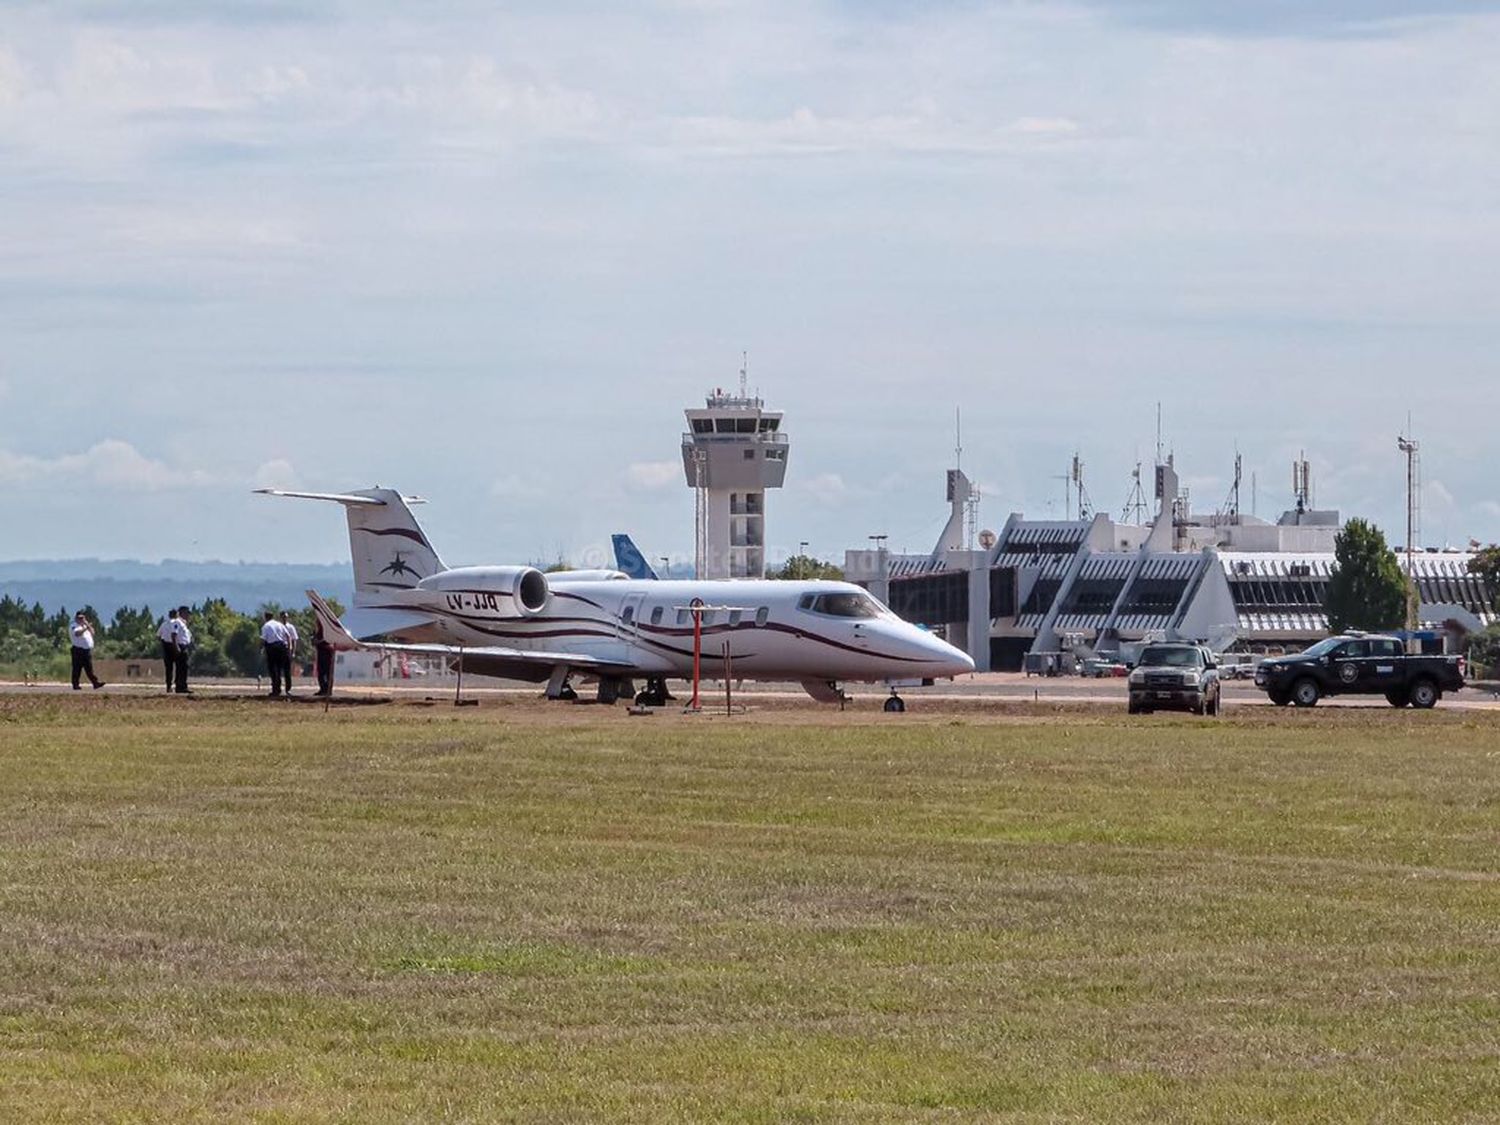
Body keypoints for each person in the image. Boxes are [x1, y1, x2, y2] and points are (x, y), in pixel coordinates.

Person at [69, 611, 105, 690]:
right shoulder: (74, 626)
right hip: (77, 650)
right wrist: (85, 628)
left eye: (82, 618)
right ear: (76, 618)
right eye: (79, 618)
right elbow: (77, 634)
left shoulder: (85, 626)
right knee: (77, 668)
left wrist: (87, 625)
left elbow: (93, 632)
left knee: (89, 668)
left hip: (86, 650)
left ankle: (95, 683)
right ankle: (75, 685)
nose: (81, 619)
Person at [261, 612, 290, 698]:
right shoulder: (280, 624)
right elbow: (288, 635)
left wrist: (261, 648)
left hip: (272, 647)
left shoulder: (266, 626)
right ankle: (283, 688)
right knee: (279, 668)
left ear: (266, 618)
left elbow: (263, 639)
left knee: (273, 669)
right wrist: (288, 647)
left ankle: (276, 689)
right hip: (282, 646)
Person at [172, 606, 193, 695]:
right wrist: (176, 647)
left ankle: (182, 686)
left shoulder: (183, 623)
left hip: (184, 646)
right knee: (182, 667)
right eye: (187, 613)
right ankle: (181, 687)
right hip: (180, 646)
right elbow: (174, 634)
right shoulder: (178, 622)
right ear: (182, 613)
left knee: (184, 667)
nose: (188, 615)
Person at [157, 608, 179, 692]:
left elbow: (158, 636)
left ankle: (168, 686)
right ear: (176, 615)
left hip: (165, 645)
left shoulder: (164, 624)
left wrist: (163, 642)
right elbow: (174, 634)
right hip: (173, 645)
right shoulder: (175, 623)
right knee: (178, 666)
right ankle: (178, 684)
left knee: (168, 668)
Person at [279, 611, 300, 696]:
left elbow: (294, 640)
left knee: (287, 670)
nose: (285, 618)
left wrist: (293, 651)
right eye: (283, 617)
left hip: (287, 648)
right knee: (278, 669)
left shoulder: (290, 627)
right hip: (279, 648)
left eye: (286, 617)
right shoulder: (278, 626)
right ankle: (277, 687)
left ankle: (288, 688)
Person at [314, 617, 335, 697]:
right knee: (321, 672)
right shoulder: (318, 631)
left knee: (328, 672)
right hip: (320, 652)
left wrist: (319, 641)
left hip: (327, 653)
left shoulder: (327, 630)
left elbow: (328, 640)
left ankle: (328, 690)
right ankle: (322, 689)